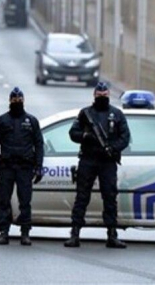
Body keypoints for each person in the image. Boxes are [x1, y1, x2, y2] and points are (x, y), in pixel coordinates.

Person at [64, 82, 131, 249]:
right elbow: (73, 133)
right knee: (81, 197)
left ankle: (112, 235)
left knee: (110, 197)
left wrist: (112, 148)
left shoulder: (116, 114)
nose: (102, 97)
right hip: (88, 159)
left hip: (108, 161)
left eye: (104, 95)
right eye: (99, 95)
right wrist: (85, 136)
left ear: (108, 95)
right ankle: (75, 233)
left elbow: (125, 137)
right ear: (94, 95)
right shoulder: (86, 113)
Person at [0, 87, 44, 246]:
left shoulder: (31, 121)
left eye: (19, 100)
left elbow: (39, 144)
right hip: (6, 167)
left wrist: (39, 166)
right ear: (9, 101)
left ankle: (25, 233)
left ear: (24, 101)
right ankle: (3, 232)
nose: (17, 102)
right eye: (14, 100)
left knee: (25, 201)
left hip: (25, 167)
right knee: (4, 201)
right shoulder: (2, 120)